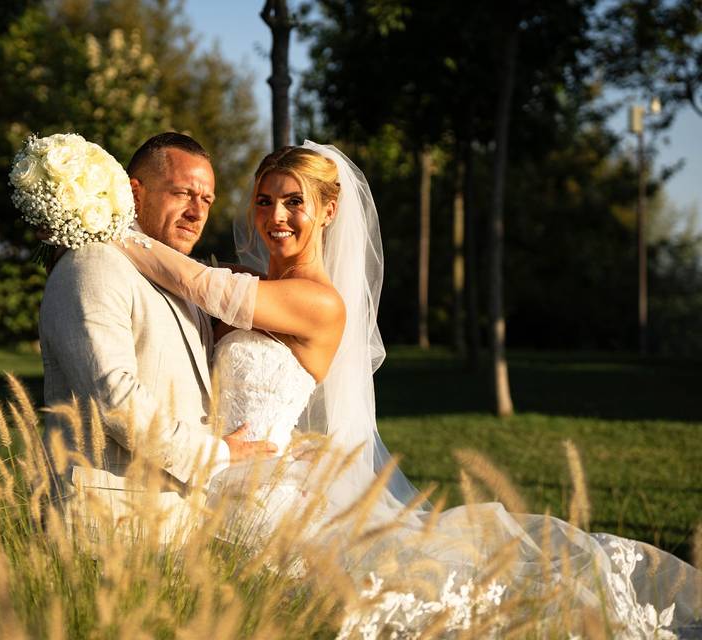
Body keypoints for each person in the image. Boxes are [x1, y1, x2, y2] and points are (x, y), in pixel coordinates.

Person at [113, 142, 701, 633]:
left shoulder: (318, 301)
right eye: (264, 201)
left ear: (328, 209)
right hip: (221, 465)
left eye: (295, 202)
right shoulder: (254, 283)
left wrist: (104, 225)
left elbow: (201, 286)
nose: (276, 217)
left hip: (260, 491)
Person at [39, 132, 275, 537]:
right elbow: (113, 396)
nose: (196, 212)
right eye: (184, 193)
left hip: (177, 518)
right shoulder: (93, 263)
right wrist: (213, 454)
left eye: (206, 201)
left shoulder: (182, 278)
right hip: (107, 518)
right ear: (136, 191)